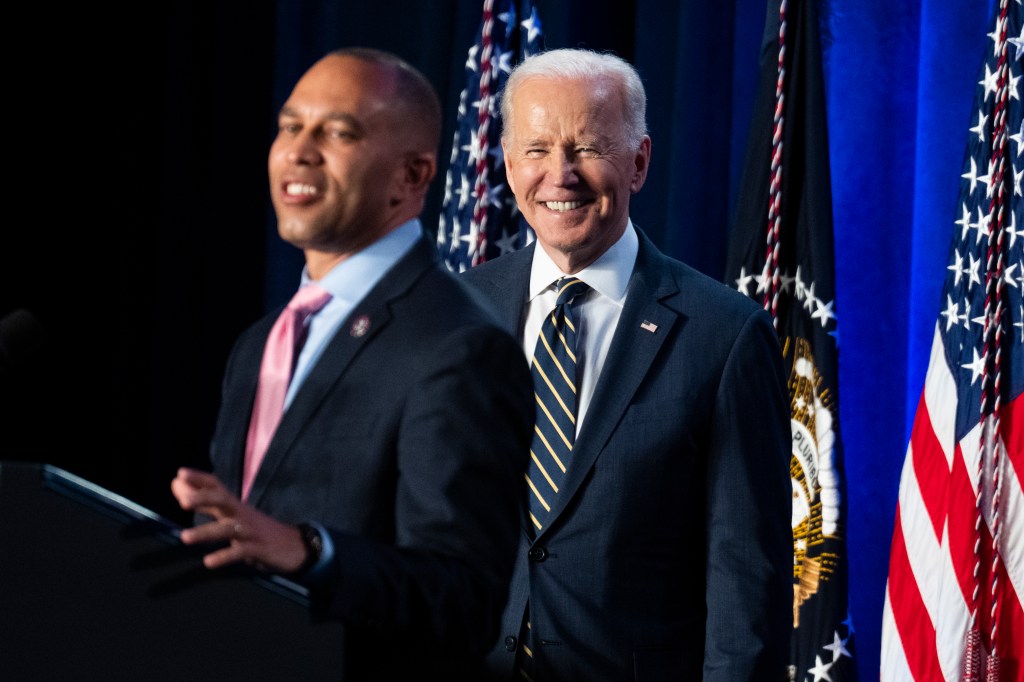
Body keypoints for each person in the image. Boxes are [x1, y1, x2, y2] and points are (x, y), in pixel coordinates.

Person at [170, 47, 534, 680]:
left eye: (337, 132)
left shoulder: (459, 345)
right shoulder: (260, 342)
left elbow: (466, 601)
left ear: (413, 176)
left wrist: (311, 551)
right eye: (290, 126)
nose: (299, 151)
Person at [462, 47, 793, 681]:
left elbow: (747, 589)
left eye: (587, 148)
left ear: (638, 163)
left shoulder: (724, 335)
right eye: (536, 150)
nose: (560, 175)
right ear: (507, 165)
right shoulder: (456, 312)